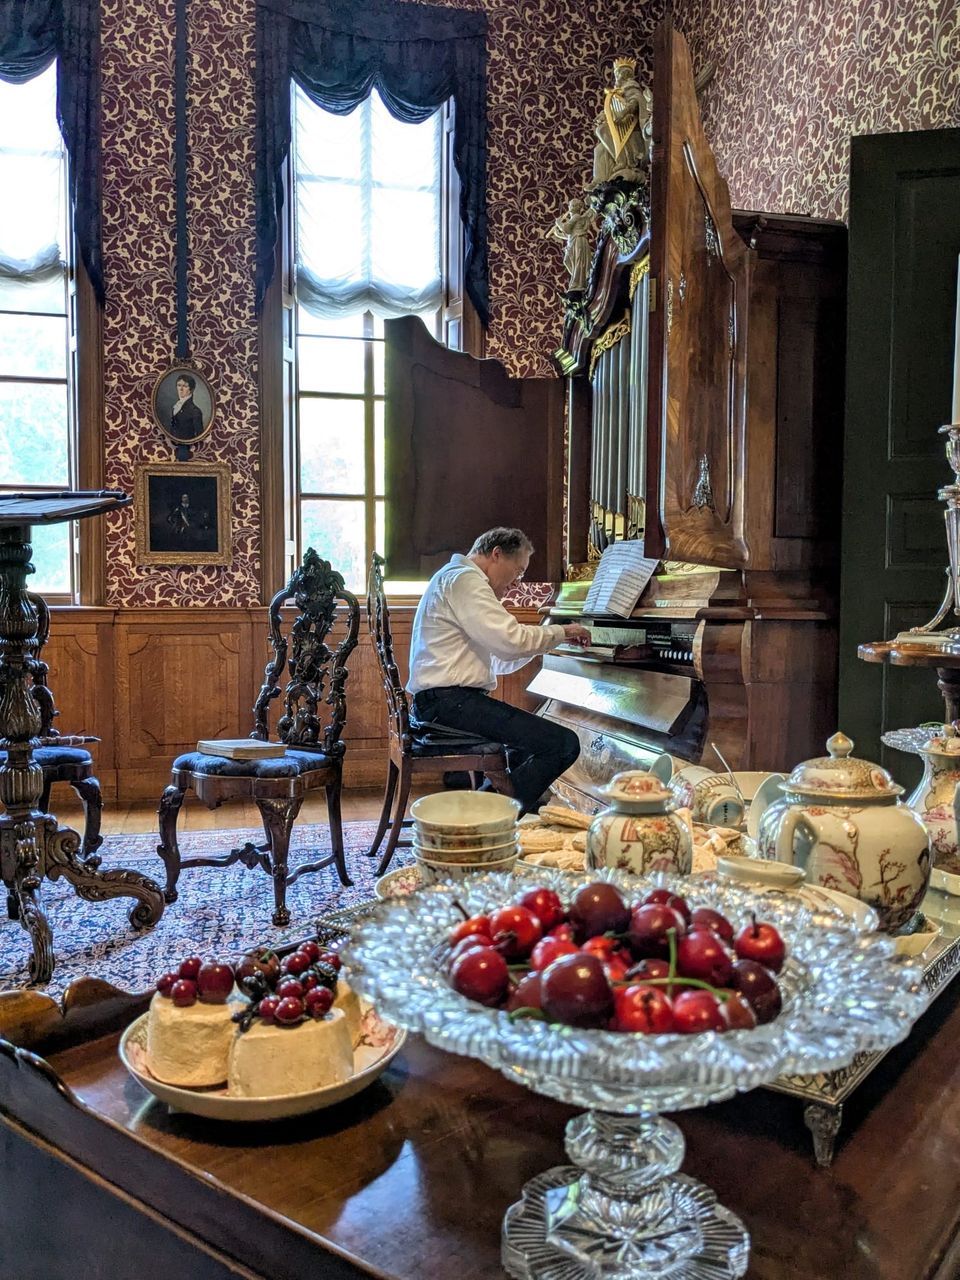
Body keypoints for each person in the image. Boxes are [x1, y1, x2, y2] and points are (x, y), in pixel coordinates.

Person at [407, 528, 591, 814]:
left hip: (443, 702)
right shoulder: (465, 581)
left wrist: (547, 639)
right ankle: (488, 816)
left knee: (525, 748)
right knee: (563, 743)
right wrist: (561, 632)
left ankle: (486, 813)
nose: (516, 582)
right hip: (448, 704)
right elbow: (509, 642)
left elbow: (500, 657)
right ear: (496, 554)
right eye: (517, 571)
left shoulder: (453, 578)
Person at [590, 56, 652, 187]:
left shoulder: (631, 87)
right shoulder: (617, 93)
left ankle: (622, 161)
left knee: (601, 130)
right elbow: (611, 109)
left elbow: (636, 102)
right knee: (599, 149)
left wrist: (624, 113)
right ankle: (599, 180)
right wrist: (602, 116)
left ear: (623, 75)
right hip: (619, 134)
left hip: (632, 135)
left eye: (618, 74)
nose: (616, 77)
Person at [547, 196, 596, 292]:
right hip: (574, 241)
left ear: (577, 207)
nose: (570, 207)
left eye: (572, 205)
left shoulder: (576, 217)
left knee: (578, 262)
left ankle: (577, 282)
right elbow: (569, 235)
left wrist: (559, 223)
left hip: (578, 241)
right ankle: (577, 280)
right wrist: (558, 234)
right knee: (568, 261)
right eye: (570, 205)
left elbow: (567, 229)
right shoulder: (574, 218)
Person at [169, 373, 204, 440]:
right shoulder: (176, 406)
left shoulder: (195, 411)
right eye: (179, 385)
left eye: (185, 386)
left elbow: (199, 436)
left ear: (191, 389)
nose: (181, 389)